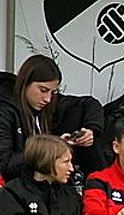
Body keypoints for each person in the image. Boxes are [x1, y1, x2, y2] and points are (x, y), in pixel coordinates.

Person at [0, 55, 105, 183]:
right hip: (19, 183)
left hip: (48, 178)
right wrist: (50, 150)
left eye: (52, 92)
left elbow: (90, 103)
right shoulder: (5, 110)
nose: (48, 99)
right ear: (25, 83)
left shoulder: (49, 103)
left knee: (78, 114)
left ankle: (99, 184)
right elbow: (5, 164)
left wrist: (90, 129)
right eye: (43, 90)